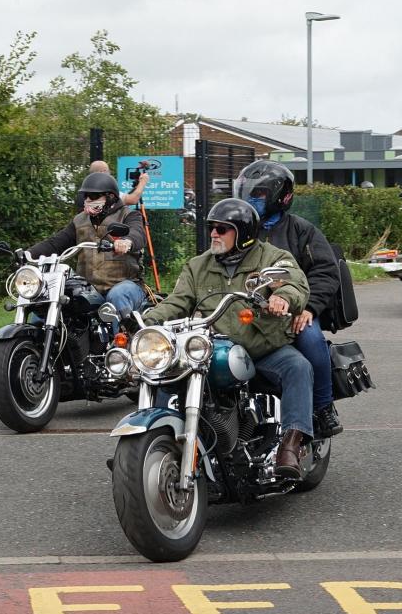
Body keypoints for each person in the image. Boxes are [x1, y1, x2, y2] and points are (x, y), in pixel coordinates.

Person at [141, 198, 314, 476]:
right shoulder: (198, 266)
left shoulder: (271, 258)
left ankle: (291, 445)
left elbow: (295, 283)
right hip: (212, 348)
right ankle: (154, 447)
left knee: (298, 367)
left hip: (261, 347)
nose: (213, 234)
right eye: (212, 228)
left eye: (222, 229)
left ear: (243, 234)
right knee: (166, 372)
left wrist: (282, 297)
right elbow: (177, 302)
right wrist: (145, 322)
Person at [234, 160, 343, 438]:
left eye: (257, 195)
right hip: (245, 309)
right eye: (247, 194)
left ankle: (323, 406)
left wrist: (308, 307)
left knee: (310, 338)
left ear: (281, 196)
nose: (250, 201)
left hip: (294, 309)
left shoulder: (301, 230)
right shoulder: (238, 229)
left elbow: (326, 272)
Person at [28, 172, 148, 324]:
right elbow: (55, 243)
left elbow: (137, 233)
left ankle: (122, 344)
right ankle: (35, 341)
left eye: (94, 196)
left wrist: (126, 241)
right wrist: (28, 254)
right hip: (90, 288)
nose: (88, 200)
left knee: (118, 295)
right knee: (48, 297)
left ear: (110, 197)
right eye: (86, 196)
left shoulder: (129, 215)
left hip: (126, 285)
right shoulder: (79, 221)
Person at [82, 160, 149, 208]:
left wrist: (137, 186)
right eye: (108, 170)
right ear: (103, 171)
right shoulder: (106, 190)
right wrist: (143, 182)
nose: (109, 173)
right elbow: (132, 200)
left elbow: (124, 199)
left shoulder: (85, 192)